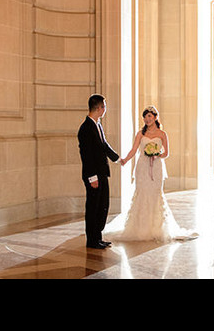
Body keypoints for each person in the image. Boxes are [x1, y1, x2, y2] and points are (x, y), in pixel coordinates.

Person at [103, 106, 198, 242]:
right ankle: (140, 228)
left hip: (157, 167)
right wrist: (124, 160)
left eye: (149, 116)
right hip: (142, 166)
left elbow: (166, 153)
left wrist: (156, 154)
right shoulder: (140, 134)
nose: (147, 119)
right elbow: (134, 150)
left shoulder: (162, 134)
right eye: (145, 116)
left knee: (155, 193)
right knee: (142, 193)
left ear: (155, 117)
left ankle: (156, 228)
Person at [77, 94, 120, 249]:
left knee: (103, 205)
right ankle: (92, 240)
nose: (105, 109)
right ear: (99, 107)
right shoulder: (85, 128)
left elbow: (104, 145)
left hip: (102, 172)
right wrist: (92, 177)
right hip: (93, 175)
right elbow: (86, 156)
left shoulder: (97, 124)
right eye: (104, 106)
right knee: (93, 207)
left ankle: (98, 237)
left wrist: (117, 159)